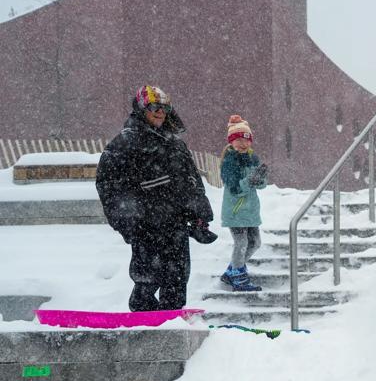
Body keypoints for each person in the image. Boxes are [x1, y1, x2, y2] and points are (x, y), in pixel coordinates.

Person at [96, 85, 216, 312]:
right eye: (154, 107)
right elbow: (108, 184)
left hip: (176, 223)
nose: (160, 112)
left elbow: (192, 181)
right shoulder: (126, 142)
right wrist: (127, 219)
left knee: (178, 276)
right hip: (146, 224)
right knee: (147, 276)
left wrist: (200, 215)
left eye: (165, 108)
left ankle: (171, 316)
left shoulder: (175, 143)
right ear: (142, 108)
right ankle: (143, 314)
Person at [219, 115, 268, 292]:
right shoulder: (229, 161)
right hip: (235, 210)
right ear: (231, 141)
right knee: (241, 243)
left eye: (246, 140)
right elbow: (235, 188)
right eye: (238, 139)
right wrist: (249, 180)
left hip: (250, 211)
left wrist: (260, 178)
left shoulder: (253, 159)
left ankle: (232, 270)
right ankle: (238, 276)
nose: (243, 143)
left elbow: (260, 186)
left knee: (255, 243)